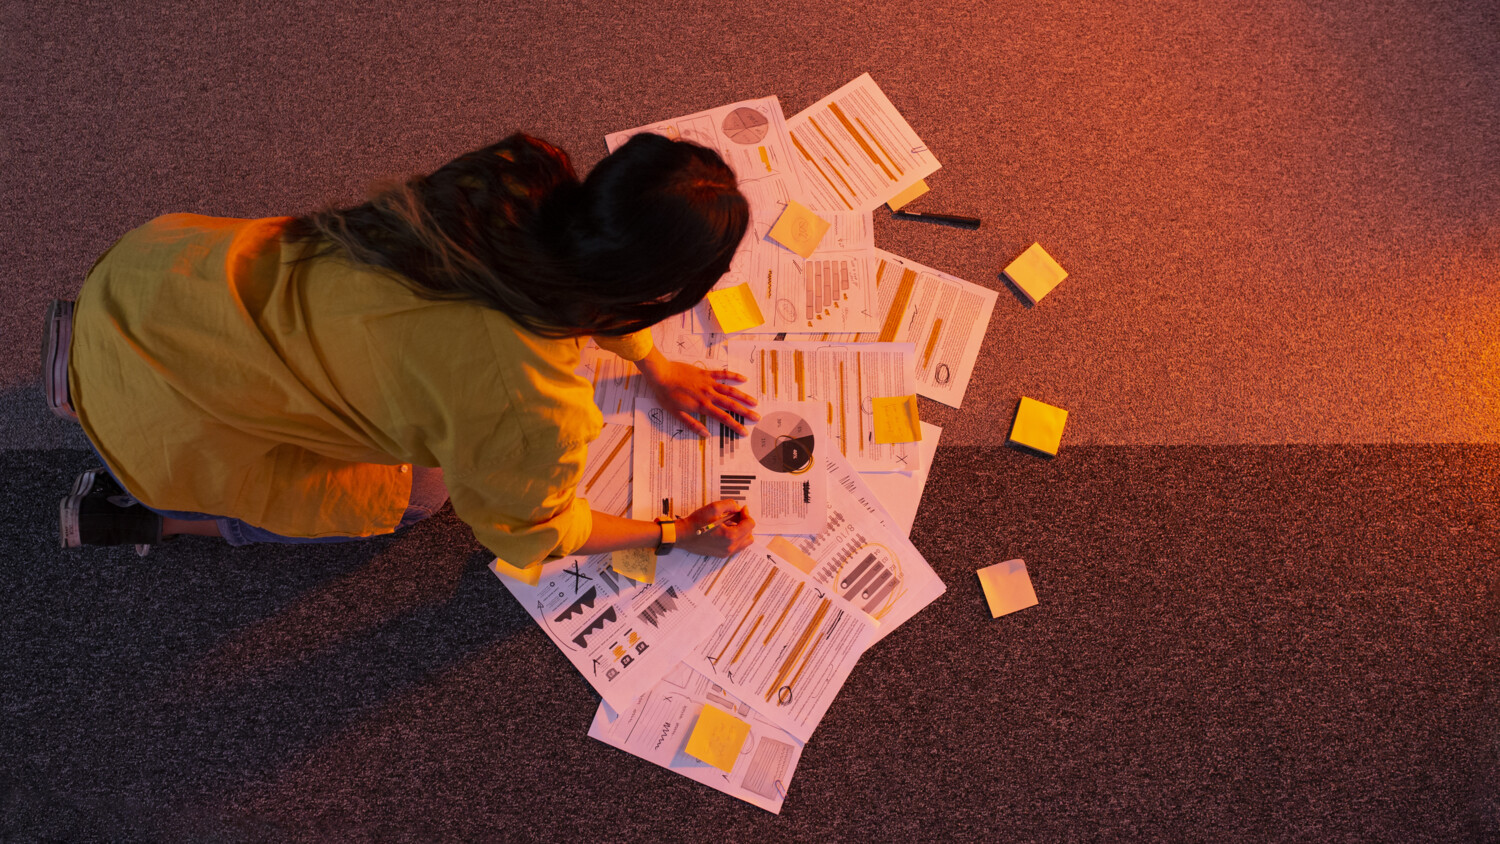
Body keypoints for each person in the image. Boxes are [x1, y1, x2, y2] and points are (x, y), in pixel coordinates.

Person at [44, 131, 759, 570]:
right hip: (178, 432)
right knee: (421, 495)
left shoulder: (515, 175)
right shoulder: (536, 409)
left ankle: (84, 361)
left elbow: (580, 262)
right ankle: (143, 510)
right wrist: (672, 531)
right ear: (657, 294)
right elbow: (528, 534)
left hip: (154, 278)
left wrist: (653, 363)